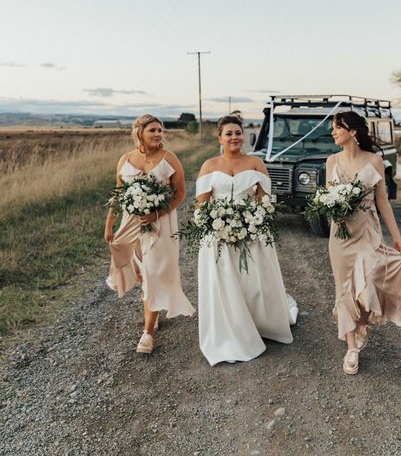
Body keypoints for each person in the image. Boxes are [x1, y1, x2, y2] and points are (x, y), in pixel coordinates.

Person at [195, 114, 298, 366]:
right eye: (229, 133)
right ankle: (232, 329)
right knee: (226, 282)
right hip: (219, 233)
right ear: (220, 138)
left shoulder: (255, 163)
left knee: (254, 282)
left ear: (244, 136)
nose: (234, 137)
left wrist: (253, 220)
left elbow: (264, 200)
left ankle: (259, 322)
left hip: (251, 231)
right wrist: (218, 223)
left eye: (238, 133)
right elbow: (202, 204)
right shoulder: (209, 165)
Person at [326, 111, 401, 375]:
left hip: (367, 230)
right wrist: (333, 209)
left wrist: (396, 237)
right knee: (344, 290)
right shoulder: (331, 161)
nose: (333, 132)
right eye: (332, 128)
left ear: (353, 132)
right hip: (340, 234)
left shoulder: (374, 160)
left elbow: (382, 201)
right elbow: (327, 198)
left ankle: (362, 322)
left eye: (337, 127)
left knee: (370, 280)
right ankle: (351, 348)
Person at [104, 114, 195, 354]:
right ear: (139, 133)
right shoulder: (125, 160)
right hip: (131, 224)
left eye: (160, 130)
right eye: (152, 130)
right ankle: (152, 309)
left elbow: (180, 193)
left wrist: (156, 214)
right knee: (141, 272)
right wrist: (109, 223)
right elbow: (119, 194)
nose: (158, 134)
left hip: (161, 225)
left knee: (154, 271)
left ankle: (147, 333)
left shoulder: (169, 158)